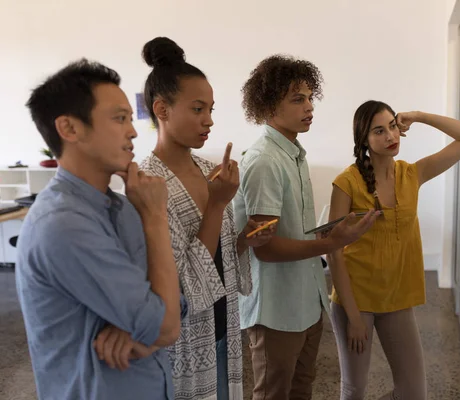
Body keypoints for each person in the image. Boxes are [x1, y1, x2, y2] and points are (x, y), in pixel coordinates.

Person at [16, 59, 184, 400]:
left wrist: (141, 331)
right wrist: (156, 218)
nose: (134, 131)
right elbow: (166, 325)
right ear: (70, 128)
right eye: (119, 118)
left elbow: (175, 304)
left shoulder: (122, 207)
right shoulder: (63, 224)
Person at [234, 55, 380, 400]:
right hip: (276, 308)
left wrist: (331, 231)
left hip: (306, 299)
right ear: (269, 105)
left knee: (301, 390)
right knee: (273, 393)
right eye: (298, 99)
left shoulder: (293, 154)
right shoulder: (265, 161)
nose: (309, 107)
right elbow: (264, 247)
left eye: (310, 97)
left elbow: (290, 232)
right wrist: (332, 244)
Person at [136, 37, 274, 400]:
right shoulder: (147, 183)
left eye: (211, 109)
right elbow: (179, 280)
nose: (209, 120)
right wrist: (216, 205)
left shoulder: (210, 171)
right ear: (162, 110)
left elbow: (217, 254)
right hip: (183, 338)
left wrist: (244, 239)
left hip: (223, 323)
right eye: (198, 109)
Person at [327, 101, 460, 400]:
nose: (390, 136)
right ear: (364, 140)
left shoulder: (412, 174)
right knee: (354, 389)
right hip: (356, 300)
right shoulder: (346, 183)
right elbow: (333, 252)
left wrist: (419, 116)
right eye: (379, 131)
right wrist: (355, 318)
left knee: (413, 392)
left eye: (393, 126)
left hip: (397, 298)